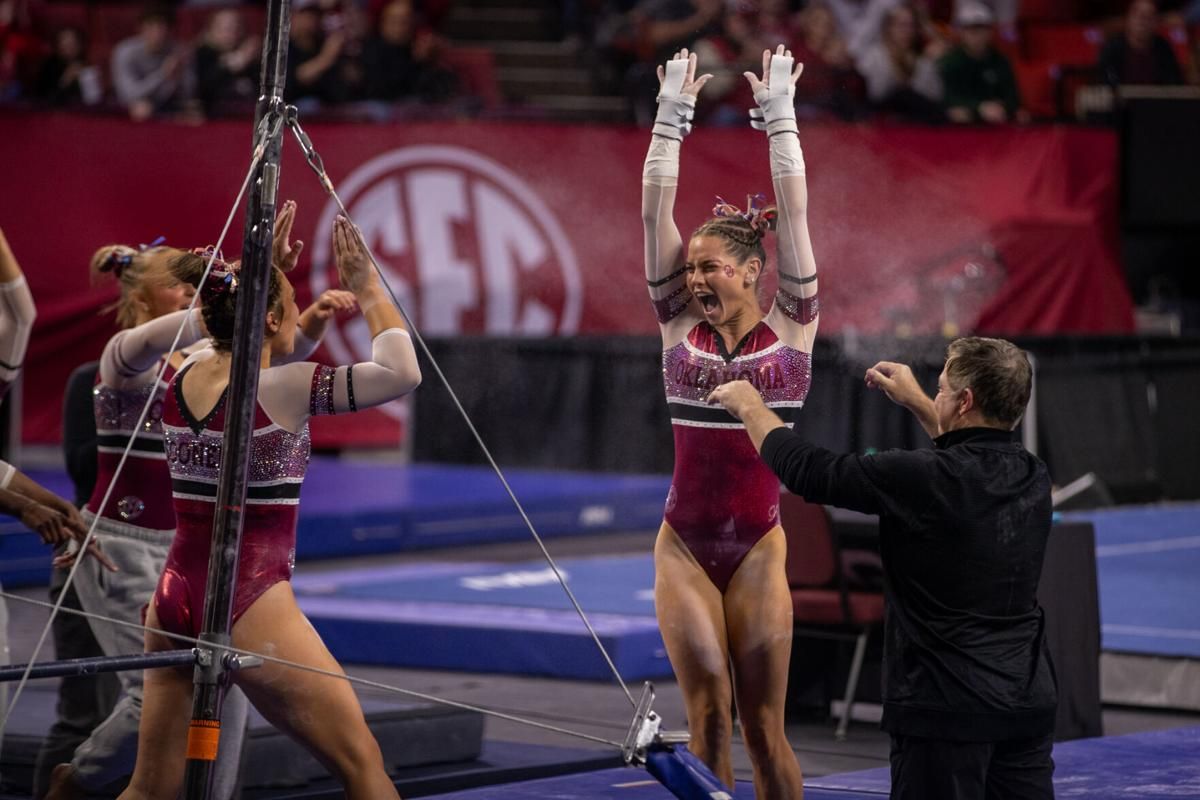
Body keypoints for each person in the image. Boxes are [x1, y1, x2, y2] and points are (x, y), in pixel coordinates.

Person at [117, 215, 419, 800]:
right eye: (290, 302)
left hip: (172, 597)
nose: (299, 312)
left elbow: (239, 324)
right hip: (250, 600)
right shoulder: (285, 387)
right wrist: (367, 286)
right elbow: (401, 373)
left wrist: (268, 269)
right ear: (274, 318)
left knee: (150, 788)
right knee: (362, 764)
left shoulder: (183, 372)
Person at [46, 202, 342, 799]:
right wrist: (250, 280)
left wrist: (292, 309)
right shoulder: (126, 360)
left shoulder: (205, 363)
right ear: (141, 297)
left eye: (196, 287)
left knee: (227, 686)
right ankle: (77, 779)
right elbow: (211, 324)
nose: (191, 292)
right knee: (151, 692)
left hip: (190, 548)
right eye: (179, 286)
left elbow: (273, 356)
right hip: (121, 548)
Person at [709, 336, 1057, 800]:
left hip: (945, 709)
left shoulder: (920, 477)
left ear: (965, 401)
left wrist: (751, 407)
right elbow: (972, 455)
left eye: (940, 389)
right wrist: (918, 402)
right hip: (1026, 701)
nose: (935, 396)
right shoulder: (1034, 476)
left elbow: (810, 471)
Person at [644, 45, 816, 796]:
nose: (694, 279)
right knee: (708, 716)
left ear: (751, 271)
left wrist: (780, 118)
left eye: (709, 267)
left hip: (759, 548)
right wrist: (670, 116)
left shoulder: (795, 326)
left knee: (763, 730)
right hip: (683, 545)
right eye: (689, 269)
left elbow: (795, 212)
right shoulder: (678, 326)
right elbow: (653, 211)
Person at [857, 3, 944, 121]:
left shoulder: (924, 63)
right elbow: (873, 95)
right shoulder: (873, 57)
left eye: (911, 25)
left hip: (917, 125)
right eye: (901, 25)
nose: (907, 31)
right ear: (889, 27)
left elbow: (934, 99)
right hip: (881, 122)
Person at [938, 1, 1022, 124]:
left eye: (981, 29)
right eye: (971, 30)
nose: (977, 36)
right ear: (962, 32)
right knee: (957, 113)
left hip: (997, 120)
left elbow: (1013, 97)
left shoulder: (1000, 61)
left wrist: (1001, 106)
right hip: (963, 122)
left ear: (990, 32)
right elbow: (947, 97)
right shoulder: (950, 62)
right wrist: (979, 107)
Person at [110, 5, 190, 121]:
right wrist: (163, 74)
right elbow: (128, 95)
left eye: (162, 28)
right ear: (140, 28)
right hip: (131, 105)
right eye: (151, 27)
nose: (157, 33)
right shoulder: (125, 51)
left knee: (193, 113)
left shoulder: (179, 51)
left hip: (168, 104)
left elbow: (189, 94)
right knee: (142, 110)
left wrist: (178, 76)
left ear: (171, 30)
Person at [1098, 0, 1185, 87]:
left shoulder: (1164, 49)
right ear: (1127, 19)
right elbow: (1105, 82)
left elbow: (1175, 85)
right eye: (1137, 15)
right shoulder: (1112, 49)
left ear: (1156, 22)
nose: (1142, 21)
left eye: (1148, 16)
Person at [191, 8, 260, 118]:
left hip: (249, 119)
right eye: (225, 28)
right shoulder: (203, 55)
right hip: (214, 121)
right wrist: (232, 64)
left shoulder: (252, 57)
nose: (232, 33)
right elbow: (203, 89)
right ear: (210, 31)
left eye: (236, 27)